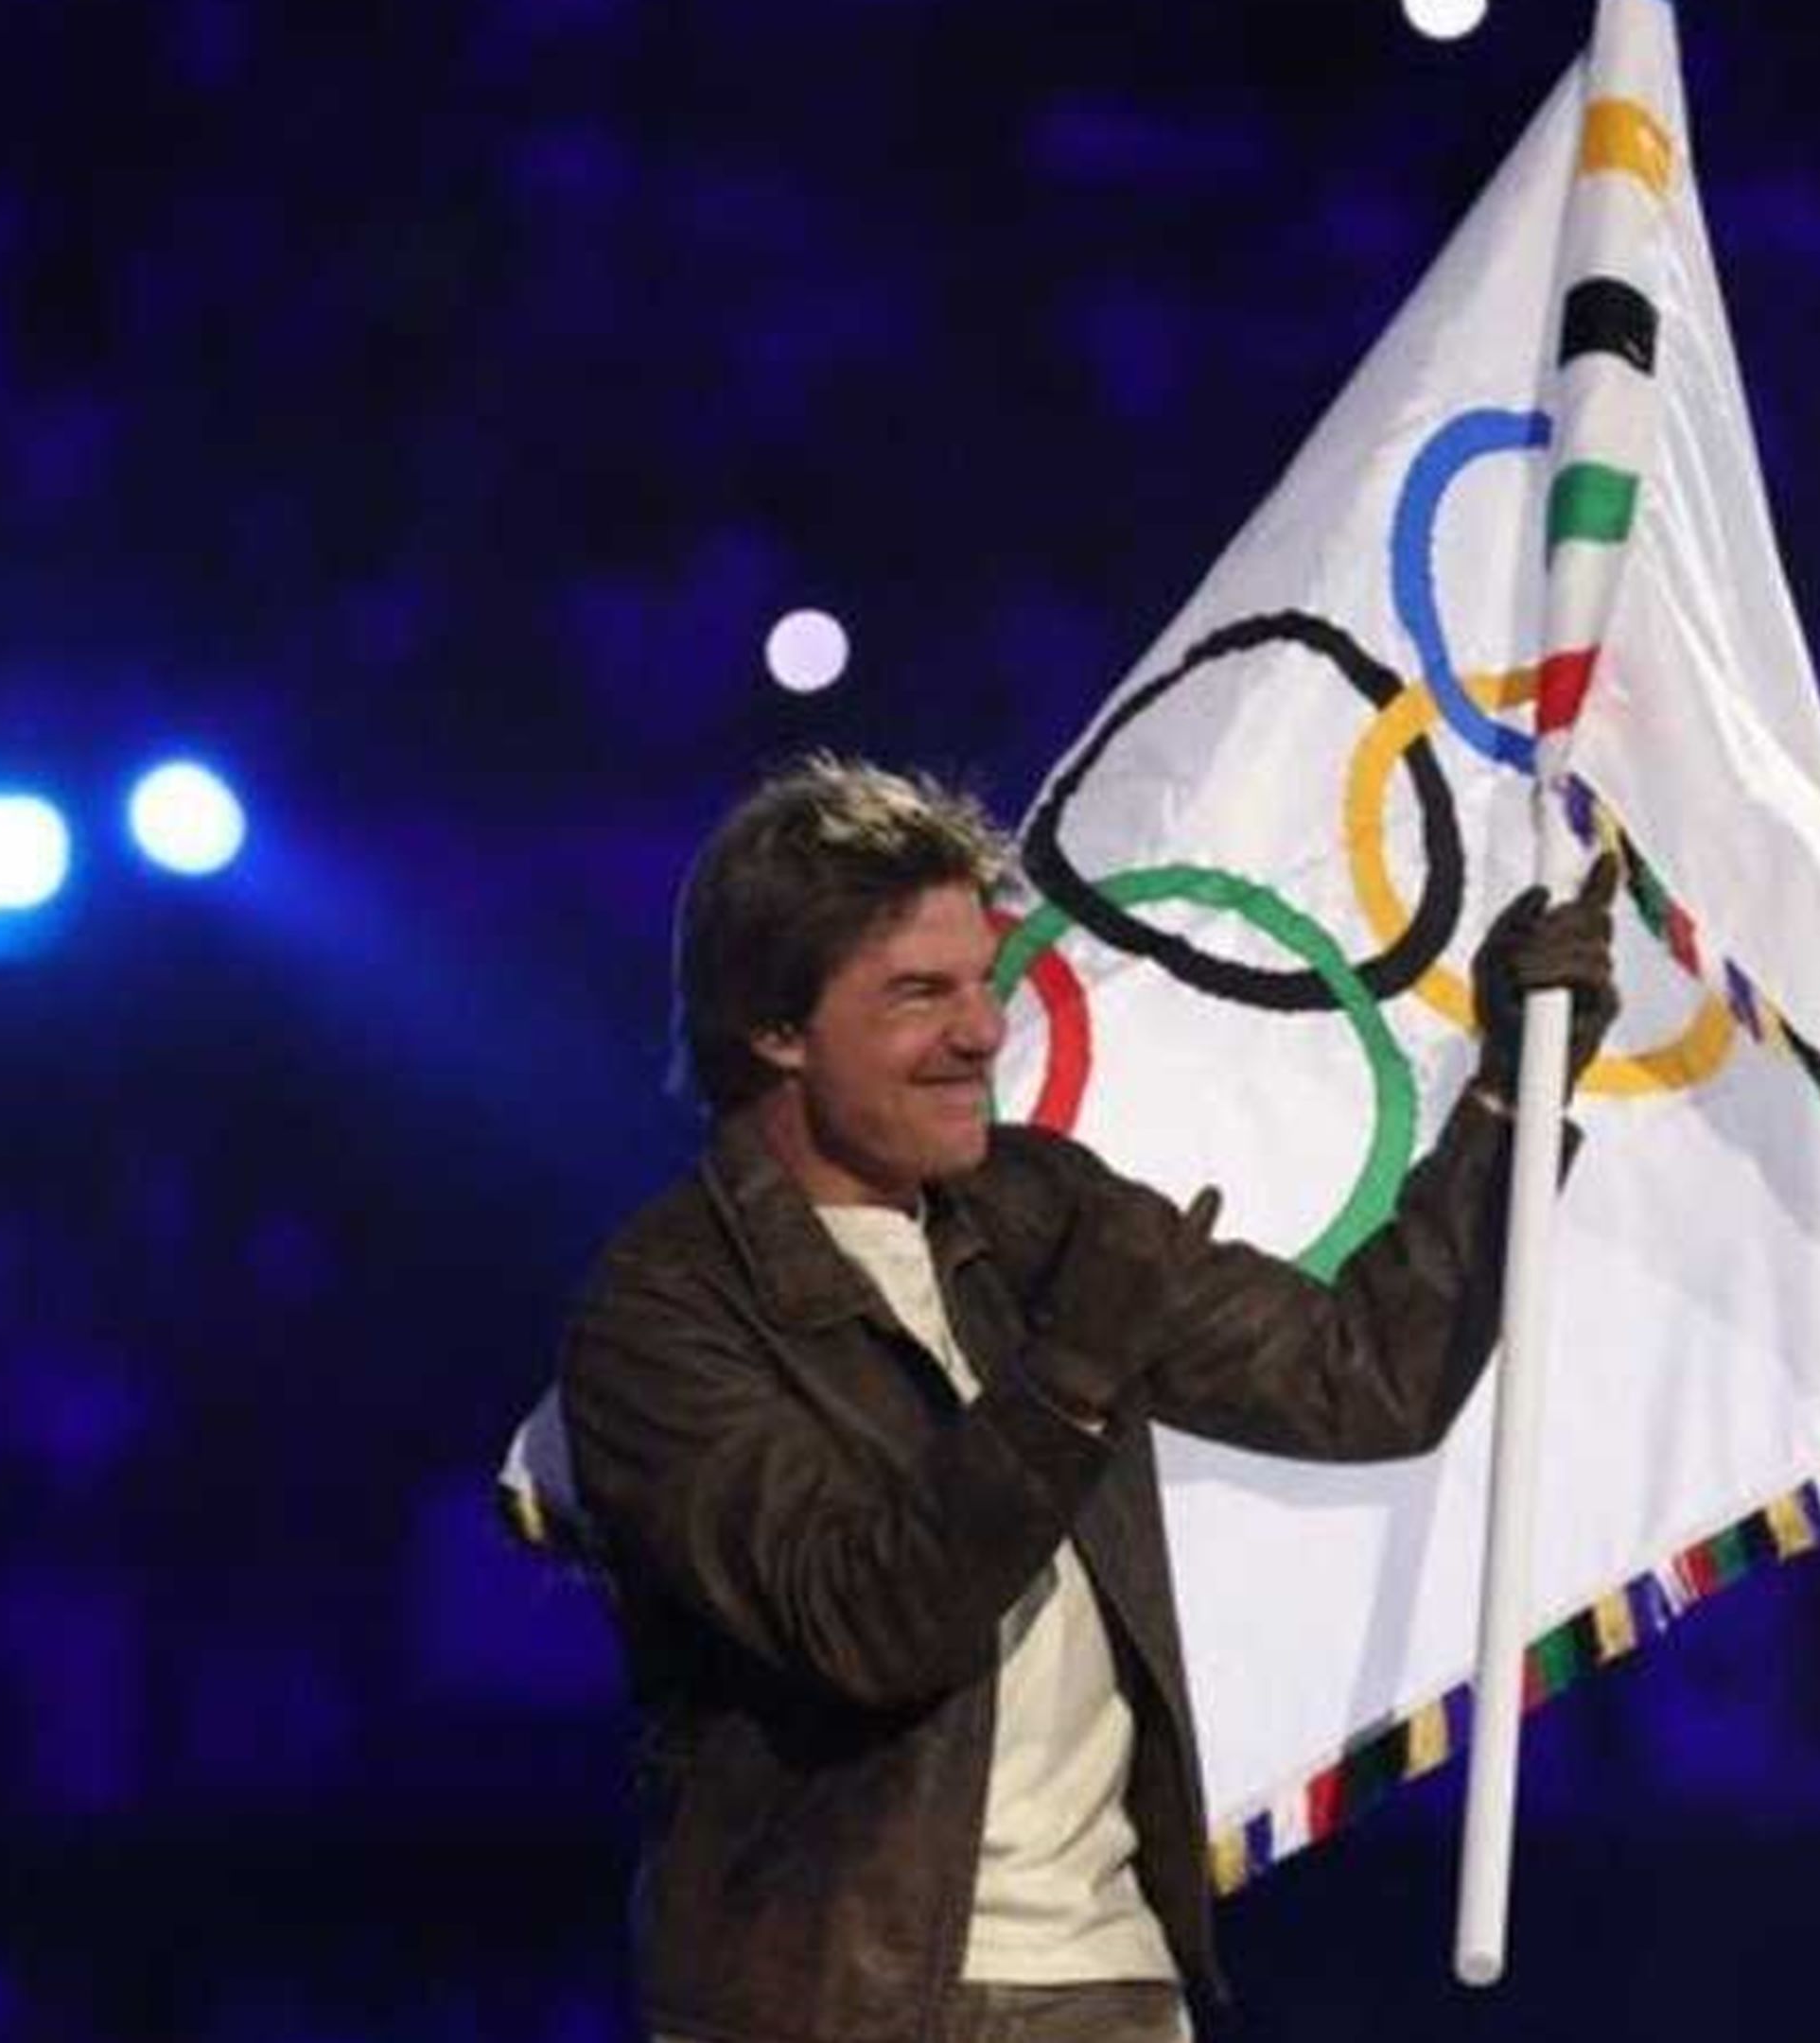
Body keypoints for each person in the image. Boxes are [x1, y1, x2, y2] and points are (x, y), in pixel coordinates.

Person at [558, 755, 1619, 2043]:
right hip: (832, 2006)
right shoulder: (664, 1311)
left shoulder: (1041, 1206)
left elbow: (1368, 1378)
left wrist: (1515, 1087)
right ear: (773, 1028)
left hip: (1109, 1984)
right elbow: (866, 1626)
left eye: (982, 985)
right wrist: (1068, 1376)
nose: (982, 1032)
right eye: (917, 994)